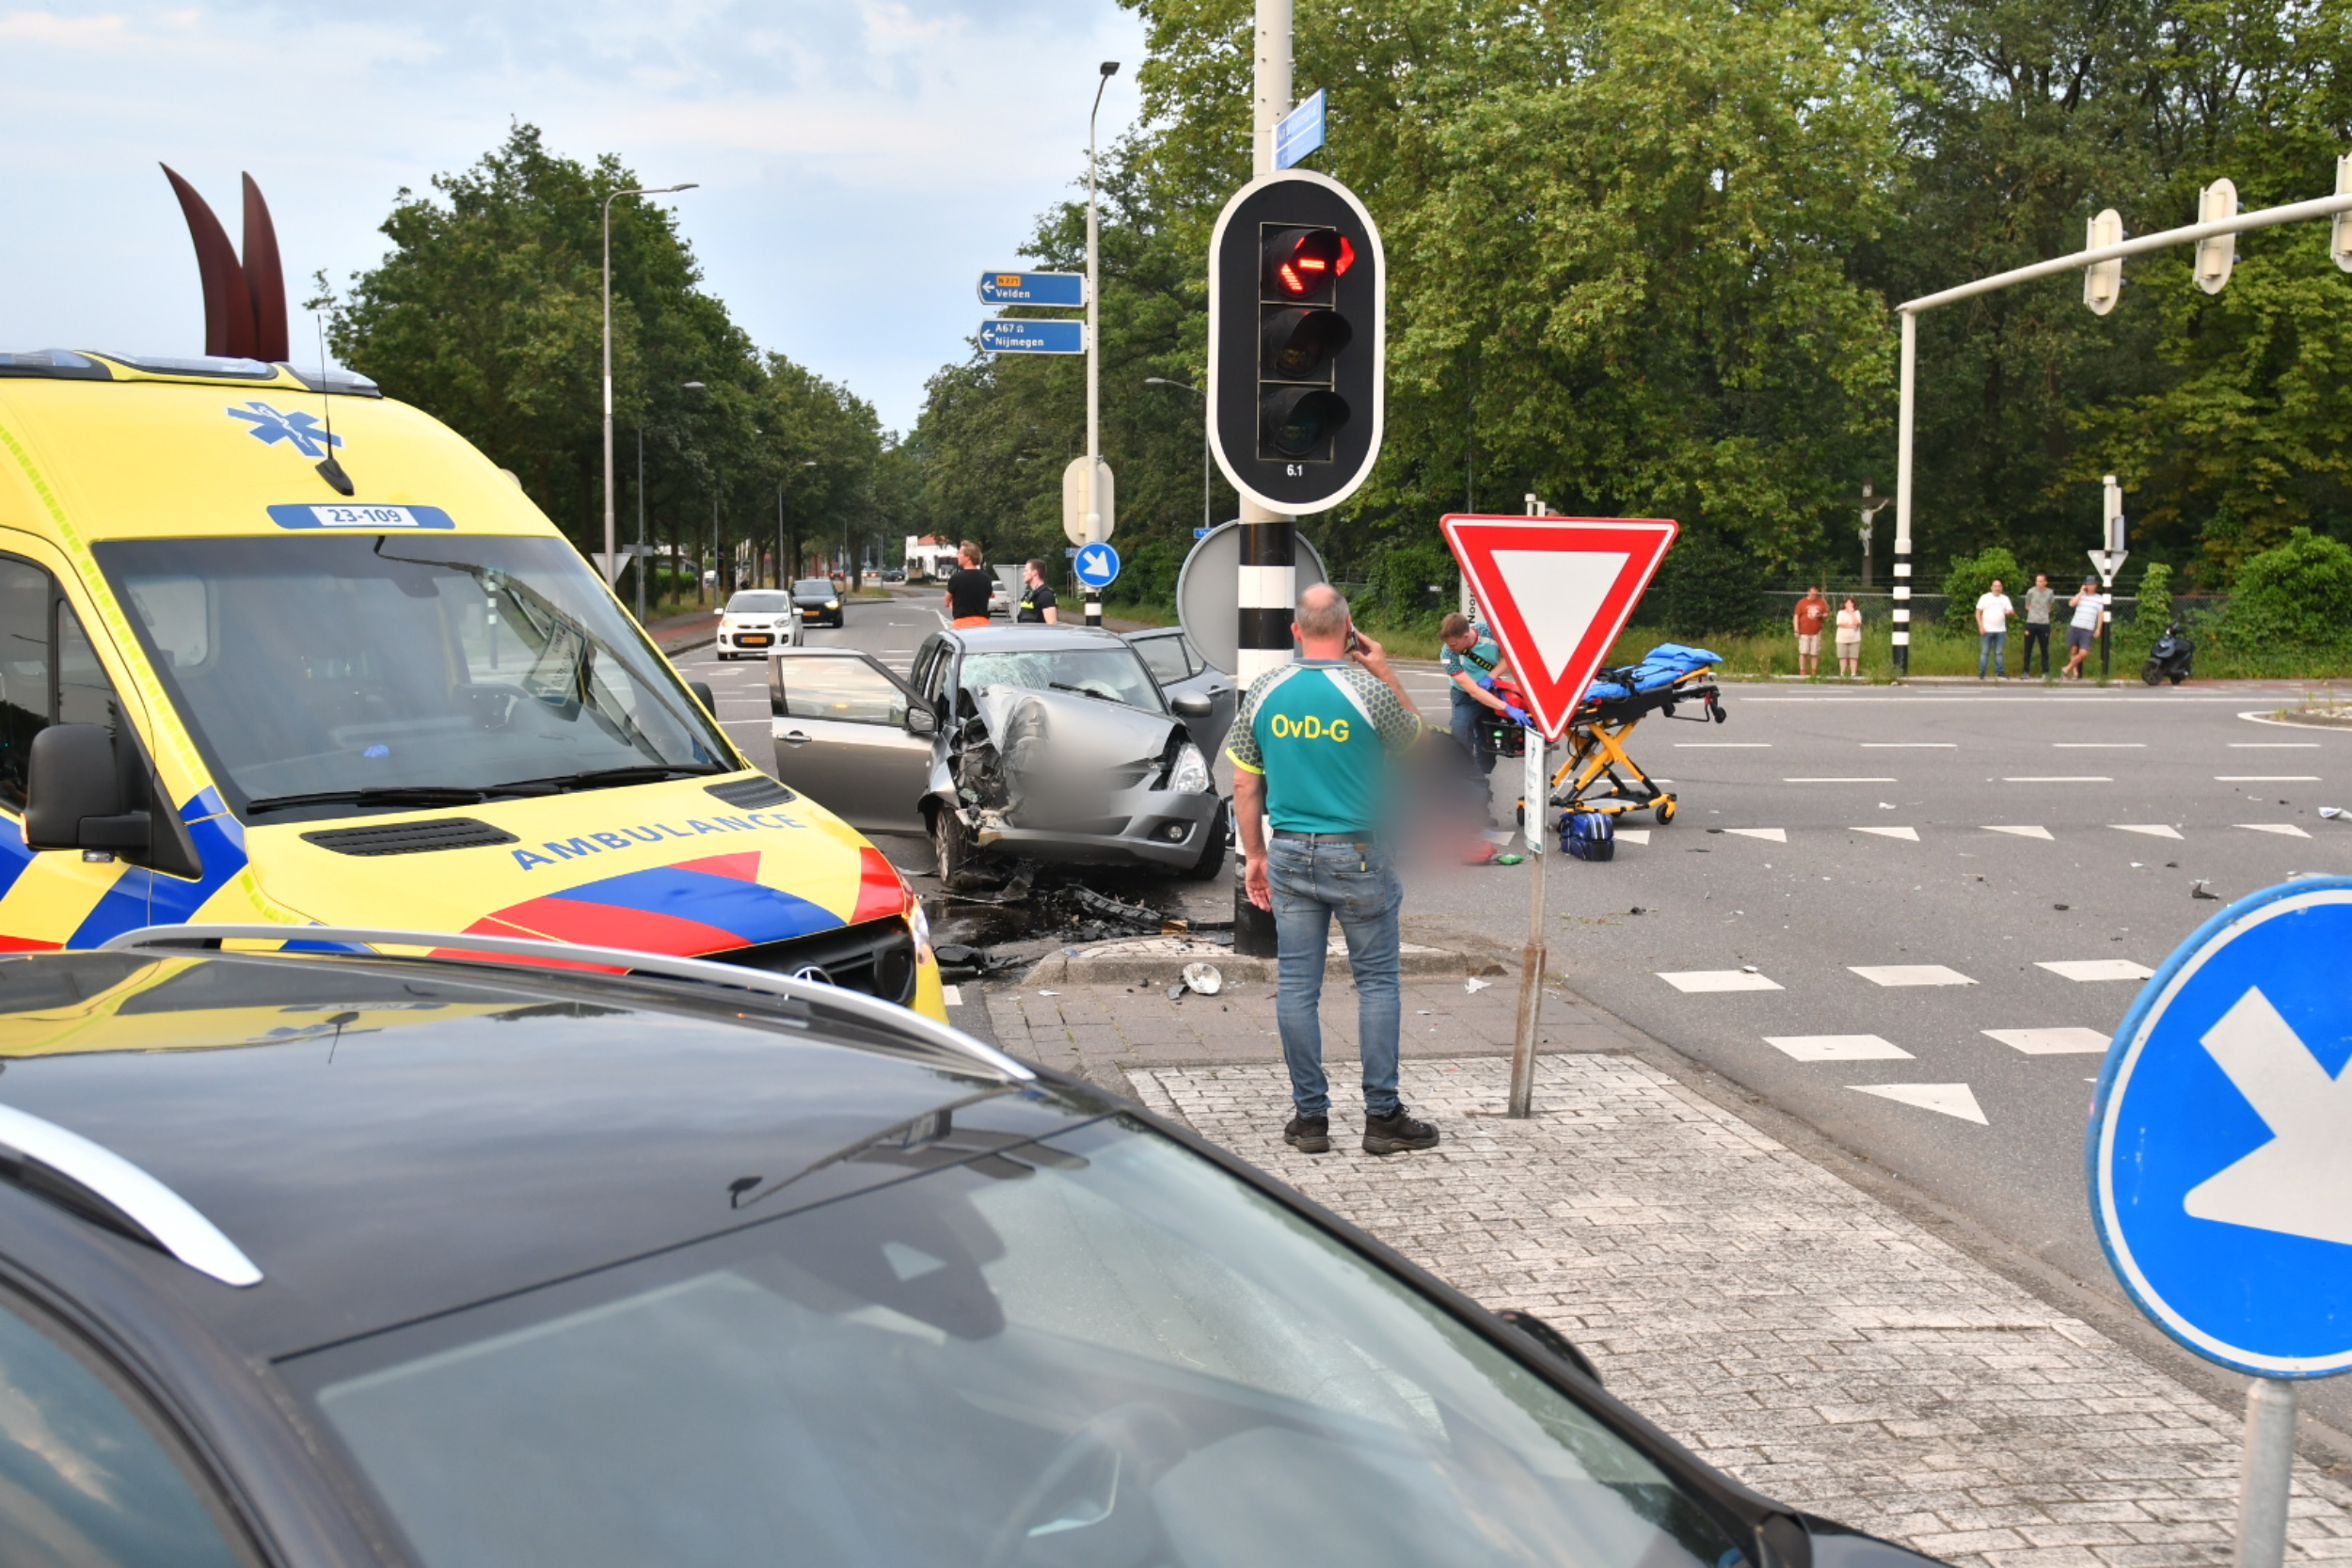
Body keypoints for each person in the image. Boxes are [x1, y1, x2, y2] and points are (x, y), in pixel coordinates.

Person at [1231, 584, 1438, 1159]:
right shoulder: (1368, 690)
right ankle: (1382, 1118)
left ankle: (1311, 1120)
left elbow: (1245, 782)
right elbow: (1421, 749)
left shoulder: (1267, 690)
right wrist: (1388, 671)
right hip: (1361, 852)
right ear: (1349, 630)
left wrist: (1255, 855)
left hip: (1292, 851)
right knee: (1376, 983)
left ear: (1295, 631)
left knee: (1298, 985)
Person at [1438, 612, 1521, 816]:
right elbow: (1473, 691)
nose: (1450, 647)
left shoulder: (1490, 631)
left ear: (1467, 636)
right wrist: (1507, 707)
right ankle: (1462, 800)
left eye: (1454, 644)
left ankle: (1478, 797)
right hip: (1465, 695)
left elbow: (1512, 655)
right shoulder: (1448, 654)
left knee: (1488, 747)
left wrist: (1491, 677)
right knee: (1460, 741)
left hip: (1491, 692)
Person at [943, 540, 992, 629]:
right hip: (983, 623)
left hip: (962, 623)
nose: (958, 556)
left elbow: (946, 602)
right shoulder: (986, 578)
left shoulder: (956, 578)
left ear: (968, 557)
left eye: (960, 553)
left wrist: (952, 603)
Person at [2063, 578, 2106, 679]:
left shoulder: (2099, 599)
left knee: (2083, 652)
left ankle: (2067, 668)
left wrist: (2098, 628)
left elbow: (2100, 614)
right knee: (2074, 650)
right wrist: (2080, 593)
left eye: (2093, 584)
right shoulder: (2081, 596)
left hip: (2088, 628)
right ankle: (2075, 673)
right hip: (2076, 625)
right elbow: (2071, 604)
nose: (2091, 586)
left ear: (2096, 586)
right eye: (2088, 584)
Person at [1976, 578, 2014, 679]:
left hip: (2000, 630)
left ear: (2001, 588)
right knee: (1985, 652)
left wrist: (2010, 613)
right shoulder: (1985, 597)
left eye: (1999, 586)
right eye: (1995, 586)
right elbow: (1978, 612)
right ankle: (1982, 672)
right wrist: (1981, 626)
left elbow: (2011, 611)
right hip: (1987, 630)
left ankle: (1999, 672)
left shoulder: (2005, 598)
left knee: (1999, 652)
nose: (1997, 588)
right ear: (1991, 587)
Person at [2021, 573, 2055, 677]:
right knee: (2028, 649)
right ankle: (2026, 671)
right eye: (2037, 581)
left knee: (2044, 649)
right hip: (2031, 622)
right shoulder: (2031, 592)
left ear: (2045, 582)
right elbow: (2027, 605)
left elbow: (2050, 605)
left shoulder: (2050, 592)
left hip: (2044, 623)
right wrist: (2034, 613)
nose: (2038, 583)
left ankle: (2045, 672)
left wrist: (2043, 613)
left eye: (2041, 581)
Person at [1793, 586, 1829, 676]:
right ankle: (1802, 670)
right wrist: (1796, 630)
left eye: (1816, 594)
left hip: (1816, 631)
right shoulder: (1802, 602)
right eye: (1812, 594)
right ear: (1808, 592)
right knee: (1803, 652)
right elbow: (1796, 616)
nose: (1814, 596)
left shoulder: (1821, 602)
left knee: (1815, 653)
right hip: (1804, 631)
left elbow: (1826, 614)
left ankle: (1814, 671)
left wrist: (1820, 615)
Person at [1016, 559, 1059, 625]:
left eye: (1026, 571)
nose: (1023, 574)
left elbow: (1052, 624)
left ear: (1034, 573)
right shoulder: (1030, 595)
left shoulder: (1046, 595)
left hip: (1038, 634)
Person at [1834, 596, 1863, 678]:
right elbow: (1839, 623)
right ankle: (1842, 673)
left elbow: (1857, 623)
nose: (1849, 604)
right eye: (1848, 603)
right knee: (1842, 656)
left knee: (1853, 656)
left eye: (1851, 603)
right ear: (1845, 604)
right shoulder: (1841, 612)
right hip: (1842, 638)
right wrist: (1850, 626)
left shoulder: (1857, 613)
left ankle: (1853, 673)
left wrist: (1851, 614)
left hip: (1854, 638)